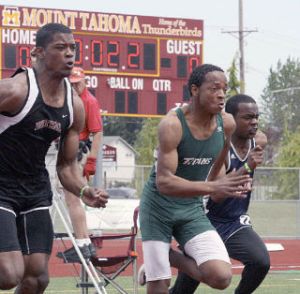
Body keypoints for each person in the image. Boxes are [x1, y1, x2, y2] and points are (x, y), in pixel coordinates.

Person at [0, 23, 108, 293]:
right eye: (60, 48)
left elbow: (66, 165)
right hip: (0, 187)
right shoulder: (15, 90)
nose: (69, 54)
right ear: (38, 53)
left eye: (72, 48)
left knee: (37, 279)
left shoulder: (74, 106)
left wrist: (83, 190)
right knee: (8, 273)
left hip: (35, 191)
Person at [139, 64, 252, 294]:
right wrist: (212, 186)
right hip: (158, 209)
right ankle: (157, 261)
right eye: (214, 89)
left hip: (190, 209)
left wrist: (226, 186)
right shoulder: (172, 124)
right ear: (194, 90)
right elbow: (165, 182)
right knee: (160, 287)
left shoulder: (226, 123)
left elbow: (217, 169)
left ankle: (168, 256)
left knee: (221, 277)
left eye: (224, 89)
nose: (221, 95)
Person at [169, 94, 270, 294]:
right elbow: (217, 195)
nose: (255, 122)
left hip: (234, 221)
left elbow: (260, 140)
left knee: (260, 261)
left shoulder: (259, 140)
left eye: (257, 117)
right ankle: (164, 257)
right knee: (184, 289)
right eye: (248, 117)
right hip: (206, 220)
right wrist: (248, 167)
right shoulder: (219, 147)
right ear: (231, 119)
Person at [61, 66, 103, 260]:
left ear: (84, 80)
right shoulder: (72, 98)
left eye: (78, 82)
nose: (75, 85)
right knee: (73, 199)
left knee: (72, 199)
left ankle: (82, 243)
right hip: (72, 149)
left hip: (79, 151)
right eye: (72, 82)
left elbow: (97, 132)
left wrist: (91, 160)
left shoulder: (89, 100)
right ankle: (85, 243)